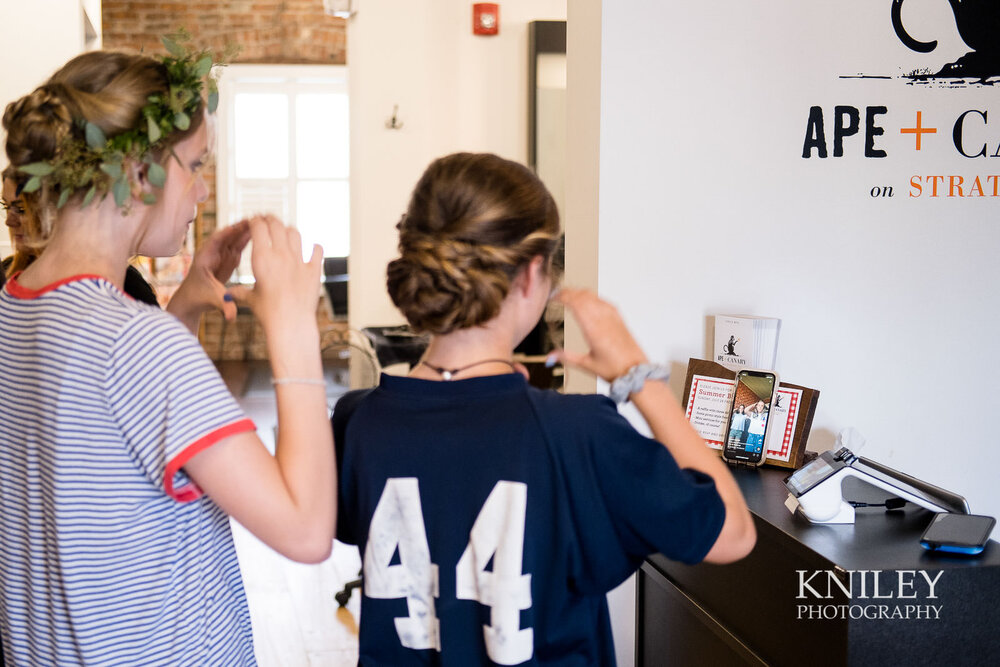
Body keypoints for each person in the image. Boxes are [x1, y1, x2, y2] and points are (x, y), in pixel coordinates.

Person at [332, 152, 756, 665]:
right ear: (533, 274)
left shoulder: (358, 423)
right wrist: (638, 375)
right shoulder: (578, 433)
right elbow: (733, 534)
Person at [0, 46, 334, 665]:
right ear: (137, 168)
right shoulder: (138, 343)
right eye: (196, 166)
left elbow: (107, 427)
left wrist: (178, 310)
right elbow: (307, 529)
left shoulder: (16, 307)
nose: (203, 191)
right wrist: (292, 325)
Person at [3, 168, 158, 304]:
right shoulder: (6, 275)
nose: (9, 221)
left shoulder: (125, 283)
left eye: (21, 209)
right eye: (6, 206)